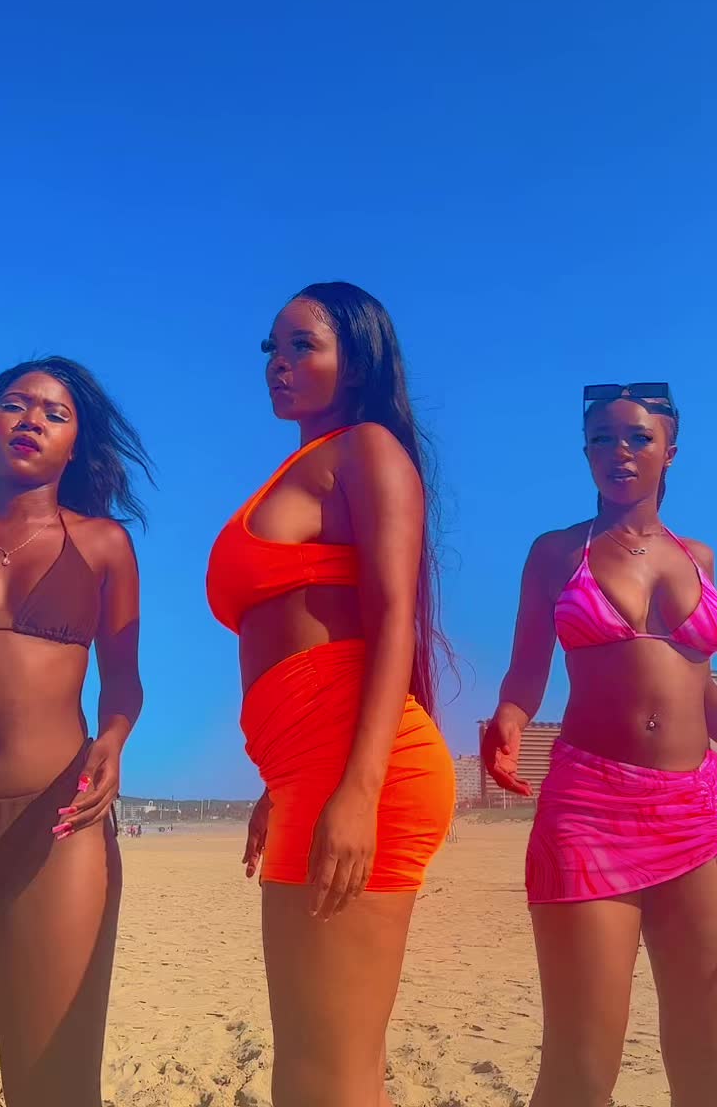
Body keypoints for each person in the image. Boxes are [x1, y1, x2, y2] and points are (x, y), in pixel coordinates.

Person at [207, 281, 456, 1107]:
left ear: (357, 361)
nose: (277, 364)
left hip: (358, 771)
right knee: (328, 1066)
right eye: (270, 349)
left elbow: (392, 624)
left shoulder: (367, 450)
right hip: (307, 771)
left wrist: (358, 789)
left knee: (324, 1074)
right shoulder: (301, 467)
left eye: (301, 346)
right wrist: (276, 783)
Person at [482, 383, 717, 1107]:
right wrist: (509, 718)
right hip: (591, 813)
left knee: (707, 1055)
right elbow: (527, 670)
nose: (620, 451)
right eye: (602, 439)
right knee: (582, 1070)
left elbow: (698, 683)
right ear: (585, 454)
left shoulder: (700, 558)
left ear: (670, 451)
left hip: (697, 814)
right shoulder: (557, 552)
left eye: (639, 437)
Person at [0, 357, 152, 1107]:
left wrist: (112, 741)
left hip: (57, 821)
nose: (31, 420)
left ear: (74, 447)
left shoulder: (102, 544)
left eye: (54, 414)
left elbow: (122, 678)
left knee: (52, 1082)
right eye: (15, 404)